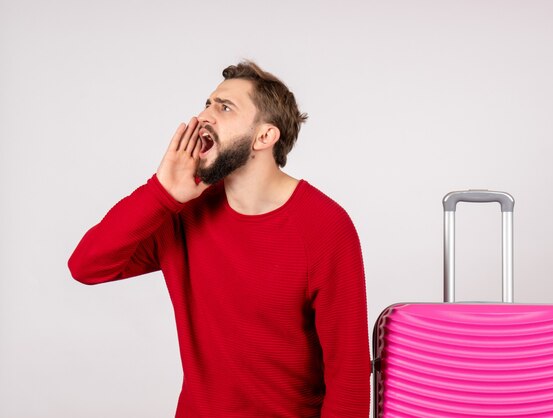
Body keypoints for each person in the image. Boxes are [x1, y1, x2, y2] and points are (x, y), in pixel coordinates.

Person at [68, 61, 370, 417]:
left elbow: (348, 377)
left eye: (224, 107)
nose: (203, 116)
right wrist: (162, 192)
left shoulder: (326, 227)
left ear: (264, 137)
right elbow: (86, 266)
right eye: (207, 103)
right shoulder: (182, 212)